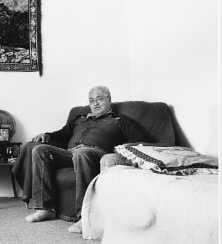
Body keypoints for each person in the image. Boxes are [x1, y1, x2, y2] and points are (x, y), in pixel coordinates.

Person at [11, 86, 145, 233]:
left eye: (99, 99)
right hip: (71, 153)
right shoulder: (80, 119)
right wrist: (47, 136)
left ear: (109, 100)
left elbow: (139, 141)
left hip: (96, 153)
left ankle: (85, 216)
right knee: (40, 149)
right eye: (92, 100)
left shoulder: (121, 120)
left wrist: (120, 150)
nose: (95, 103)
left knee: (81, 153)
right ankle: (45, 208)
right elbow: (61, 134)